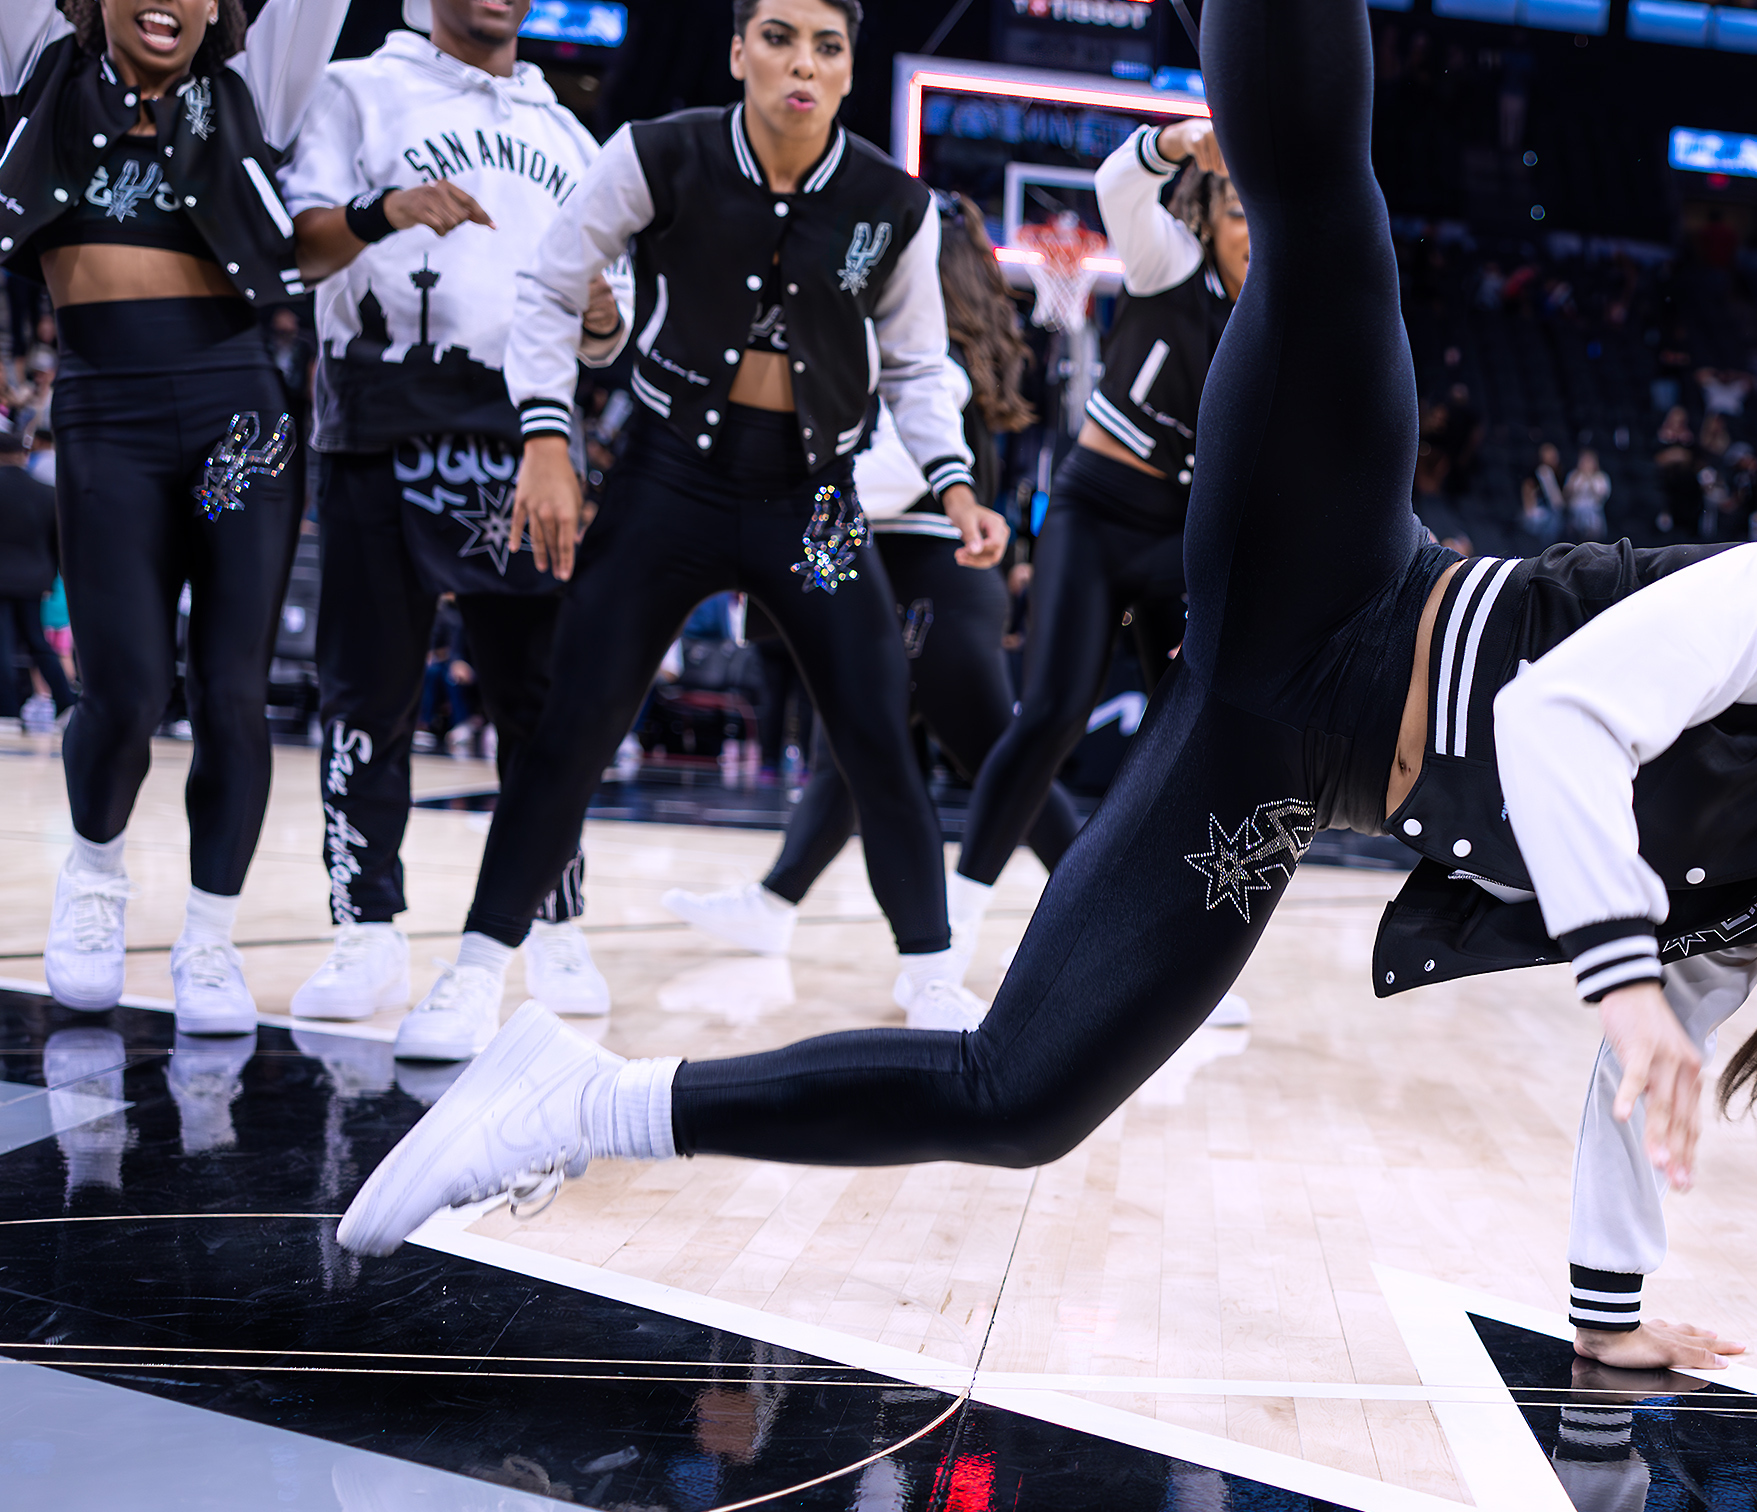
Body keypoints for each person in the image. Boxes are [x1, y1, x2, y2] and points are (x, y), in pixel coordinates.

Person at [337, 0, 1757, 1381]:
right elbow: (1553, 722)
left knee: (1019, 1101)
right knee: (1327, 215)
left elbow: (1638, 1099)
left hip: (1274, 773)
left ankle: (570, 1100)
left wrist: (1610, 1312)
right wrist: (1624, 980)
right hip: (1334, 568)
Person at [386, 0, 1013, 1057]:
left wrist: (955, 489)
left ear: (849, 70)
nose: (801, 64)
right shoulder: (657, 154)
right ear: (737, 51)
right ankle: (475, 971)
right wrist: (547, 437)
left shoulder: (892, 203)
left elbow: (913, 367)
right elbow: (549, 285)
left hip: (815, 500)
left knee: (875, 734)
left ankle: (932, 977)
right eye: (778, 37)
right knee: (573, 726)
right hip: (670, 478)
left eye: (826, 46)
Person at [277, 0, 629, 1038]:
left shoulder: (570, 133)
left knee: (541, 697)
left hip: (529, 432)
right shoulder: (355, 89)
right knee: (366, 690)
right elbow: (297, 251)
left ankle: (554, 916)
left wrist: (604, 316)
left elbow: (613, 323)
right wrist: (386, 211)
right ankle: (366, 927)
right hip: (380, 416)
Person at [7, 0, 351, 1034]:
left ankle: (209, 939)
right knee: (123, 688)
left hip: (236, 418)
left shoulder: (256, 82)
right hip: (106, 415)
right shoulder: (40, 61)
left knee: (231, 690)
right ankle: (94, 879)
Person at [662, 191, 1082, 955]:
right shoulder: (941, 351)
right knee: (847, 754)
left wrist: (792, 511)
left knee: (1005, 766)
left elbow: (896, 468)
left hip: (933, 583)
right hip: (919, 580)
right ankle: (774, 902)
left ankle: (1118, 917)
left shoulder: (934, 362)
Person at [937, 115, 1247, 980]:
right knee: (1051, 716)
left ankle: (1176, 960)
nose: (1252, 234)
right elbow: (1117, 185)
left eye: (1263, 216)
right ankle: (950, 934)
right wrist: (1179, 141)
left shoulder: (1281, 316)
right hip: (1097, 513)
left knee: (1195, 750)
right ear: (1205, 217)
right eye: (1237, 214)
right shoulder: (1169, 263)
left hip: (1185, 541)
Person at [0, 429, 76, 733]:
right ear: (23, 454)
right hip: (35, 579)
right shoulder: (45, 492)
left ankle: (6, 710)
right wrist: (53, 578)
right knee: (38, 642)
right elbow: (59, 543)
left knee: (2, 644)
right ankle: (66, 703)